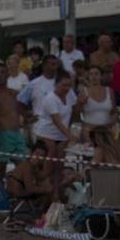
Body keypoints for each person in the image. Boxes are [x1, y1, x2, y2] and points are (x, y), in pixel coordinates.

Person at [32, 68, 76, 202]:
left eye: (69, 85)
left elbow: (73, 110)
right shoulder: (50, 98)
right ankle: (45, 195)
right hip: (47, 134)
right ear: (56, 84)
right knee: (48, 168)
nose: (67, 88)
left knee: (59, 167)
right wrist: (70, 135)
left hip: (61, 136)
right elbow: (56, 120)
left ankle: (56, 194)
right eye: (64, 85)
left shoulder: (70, 95)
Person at [0, 62, 28, 177]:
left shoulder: (13, 93)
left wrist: (27, 118)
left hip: (16, 133)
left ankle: (17, 185)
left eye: (2, 72)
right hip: (3, 133)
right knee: (0, 167)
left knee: (23, 165)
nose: (0, 75)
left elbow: (22, 110)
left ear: (8, 74)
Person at [78, 64, 120, 165]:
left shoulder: (109, 91)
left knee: (109, 160)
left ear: (101, 76)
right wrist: (80, 104)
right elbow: (76, 113)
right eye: (91, 74)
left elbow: (114, 111)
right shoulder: (83, 91)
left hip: (106, 132)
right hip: (89, 132)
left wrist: (115, 124)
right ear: (88, 76)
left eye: (96, 74)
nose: (94, 77)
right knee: (92, 161)